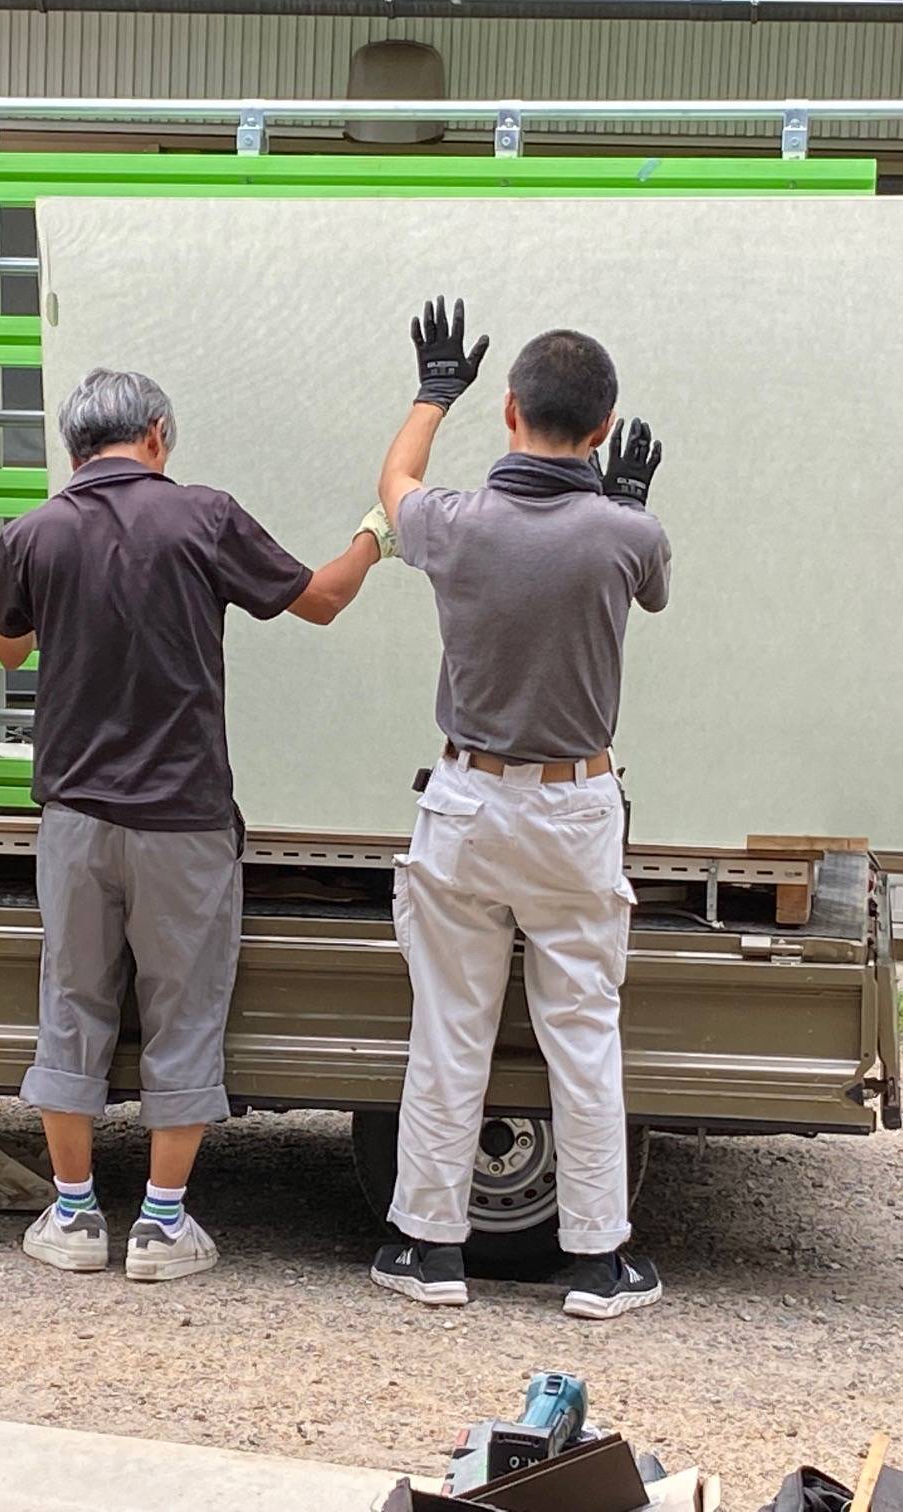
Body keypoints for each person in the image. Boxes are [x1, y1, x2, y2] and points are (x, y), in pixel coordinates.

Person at [0, 367, 385, 1283]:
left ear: (72, 446)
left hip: (77, 819)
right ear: (158, 436)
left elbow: (9, 645)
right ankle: (163, 1227)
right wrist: (375, 536)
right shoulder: (203, 517)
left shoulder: (32, 533)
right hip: (186, 823)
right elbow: (322, 600)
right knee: (184, 1010)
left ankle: (75, 1215)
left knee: (72, 1004)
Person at [358, 297, 673, 1319]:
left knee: (452, 1030)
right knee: (582, 1032)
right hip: (576, 810)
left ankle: (430, 1254)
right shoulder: (628, 534)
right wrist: (617, 495)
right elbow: (650, 581)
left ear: (507, 411)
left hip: (466, 801)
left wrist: (428, 394)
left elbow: (393, 484)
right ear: (604, 427)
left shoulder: (454, 525)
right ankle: (597, 1265)